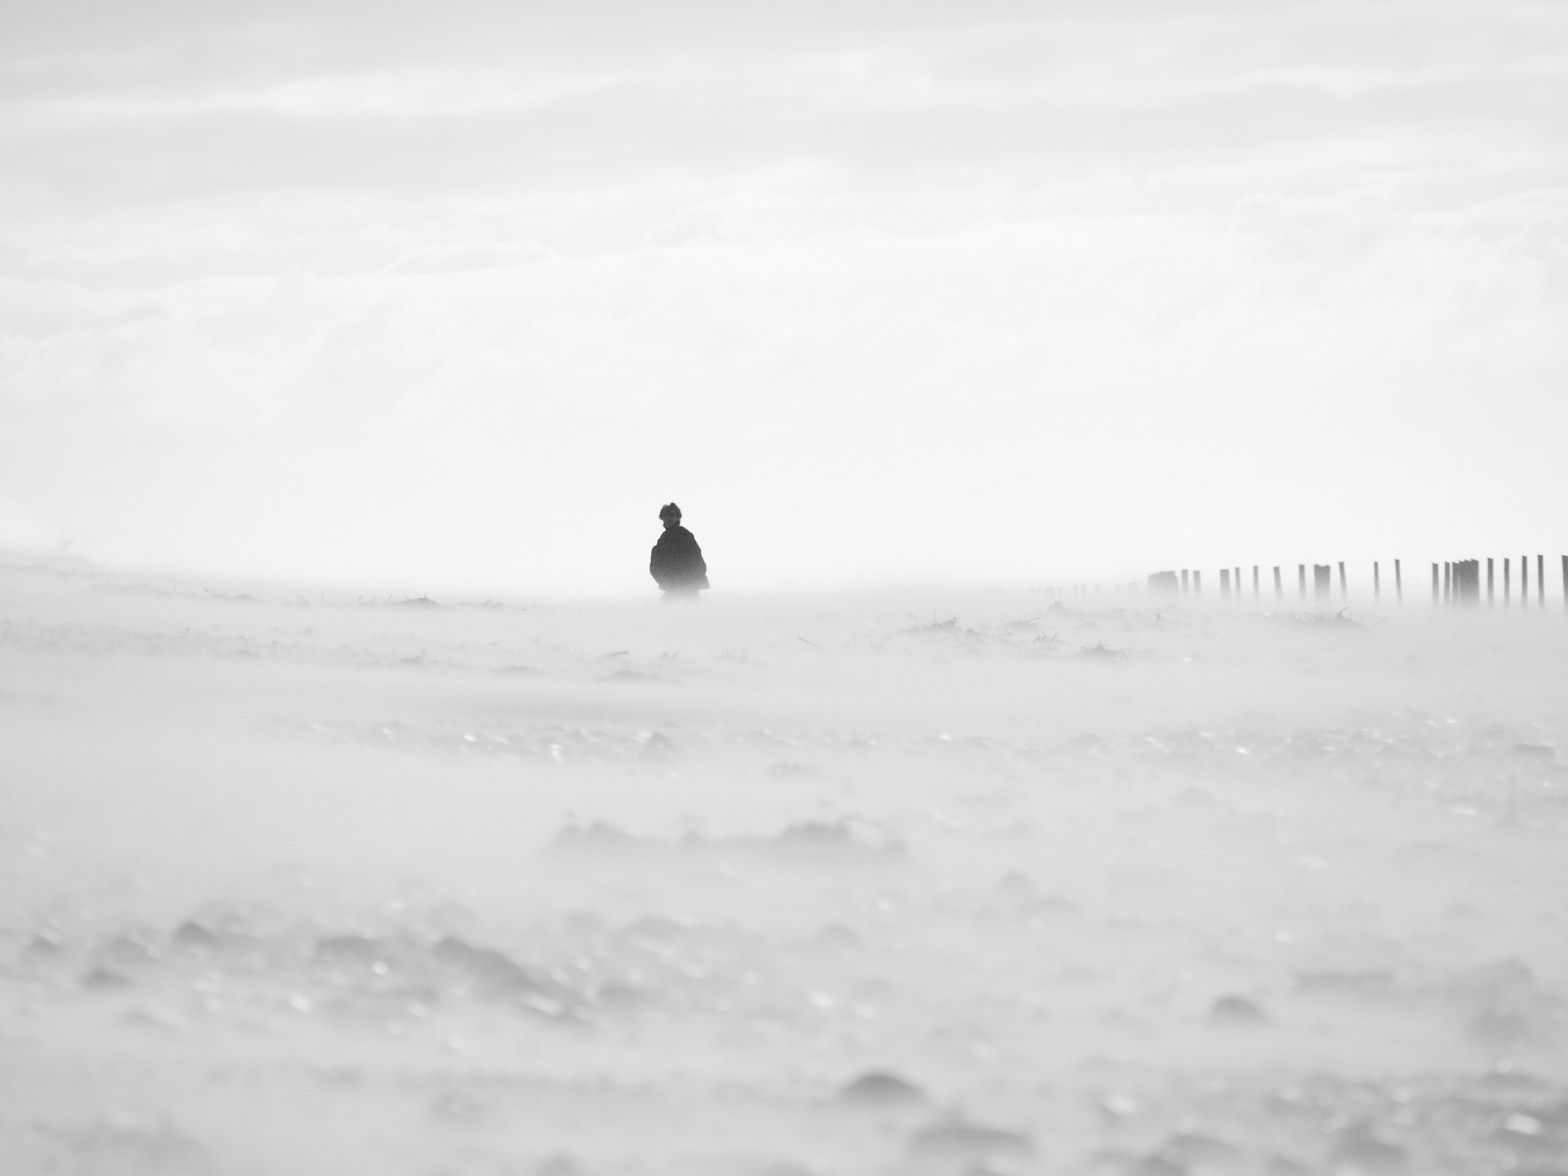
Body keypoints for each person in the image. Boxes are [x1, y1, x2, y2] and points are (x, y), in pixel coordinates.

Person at [649, 503, 708, 601]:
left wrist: (689, 578)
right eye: (666, 515)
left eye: (672, 515)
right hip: (674, 584)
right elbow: (656, 564)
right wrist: (665, 580)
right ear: (662, 518)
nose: (669, 518)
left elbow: (697, 560)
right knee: (666, 608)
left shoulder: (685, 535)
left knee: (692, 608)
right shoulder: (663, 539)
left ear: (677, 517)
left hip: (688, 584)